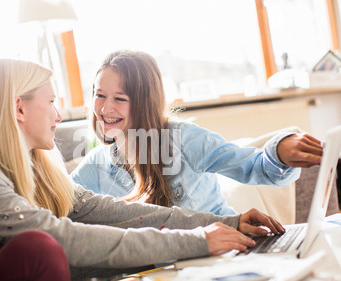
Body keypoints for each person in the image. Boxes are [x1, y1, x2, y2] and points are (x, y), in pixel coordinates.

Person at [0, 58, 284, 281]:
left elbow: (114, 212)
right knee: (41, 249)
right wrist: (195, 242)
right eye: (52, 103)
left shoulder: (35, 164)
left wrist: (225, 223)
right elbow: (61, 238)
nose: (60, 116)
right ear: (19, 108)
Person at [71, 50, 323, 216]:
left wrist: (279, 152)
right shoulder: (96, 165)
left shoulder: (184, 140)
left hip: (223, 251)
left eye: (119, 98)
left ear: (143, 101)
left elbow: (255, 166)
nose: (104, 108)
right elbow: (56, 199)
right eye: (99, 95)